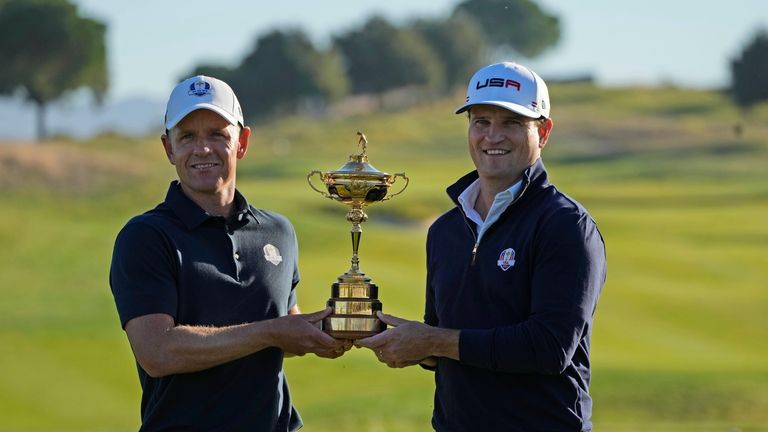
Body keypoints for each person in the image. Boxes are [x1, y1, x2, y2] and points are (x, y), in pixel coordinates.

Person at [356, 62, 607, 431]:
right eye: (481, 121)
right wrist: (397, 338)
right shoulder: (444, 231)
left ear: (544, 131)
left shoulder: (565, 225)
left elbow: (549, 348)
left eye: (511, 123)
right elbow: (443, 339)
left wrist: (434, 341)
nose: (493, 136)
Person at [109, 75, 349, 431]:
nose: (202, 149)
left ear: (242, 141)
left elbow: (288, 323)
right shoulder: (145, 237)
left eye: (217, 134)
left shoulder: (277, 231)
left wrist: (340, 327)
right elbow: (157, 352)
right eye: (187, 137)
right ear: (168, 148)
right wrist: (271, 332)